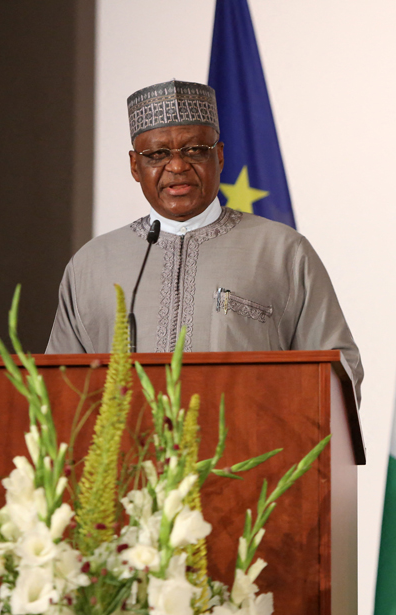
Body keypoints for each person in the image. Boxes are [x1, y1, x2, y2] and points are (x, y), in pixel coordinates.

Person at [46, 80, 362, 399]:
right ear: (134, 166)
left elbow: (338, 373)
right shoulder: (91, 264)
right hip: (130, 450)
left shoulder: (282, 251)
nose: (178, 166)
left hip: (248, 448)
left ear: (220, 156)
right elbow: (58, 391)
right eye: (157, 154)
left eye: (195, 150)